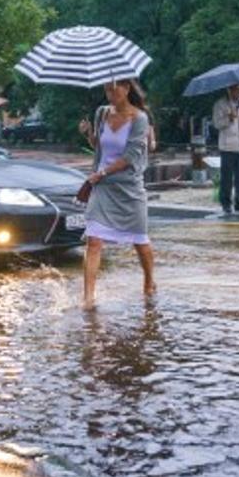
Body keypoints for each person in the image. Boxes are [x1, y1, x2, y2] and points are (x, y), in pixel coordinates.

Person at [78, 78, 156, 310]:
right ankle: (89, 297)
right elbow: (100, 147)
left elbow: (130, 157)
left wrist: (101, 173)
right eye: (106, 89)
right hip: (102, 187)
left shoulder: (139, 119)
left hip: (128, 187)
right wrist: (88, 134)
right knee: (93, 240)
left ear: (127, 88)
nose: (110, 94)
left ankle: (149, 281)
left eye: (115, 89)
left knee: (139, 240)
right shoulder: (101, 113)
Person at [212, 83, 239, 213]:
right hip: (228, 146)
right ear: (230, 90)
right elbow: (217, 124)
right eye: (236, 89)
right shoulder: (220, 104)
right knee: (227, 177)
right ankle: (226, 203)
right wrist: (229, 118)